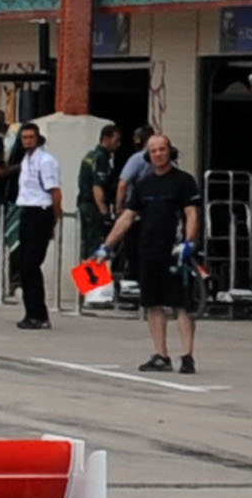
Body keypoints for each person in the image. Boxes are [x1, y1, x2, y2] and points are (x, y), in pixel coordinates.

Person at [101, 132, 201, 374]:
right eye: (153, 151)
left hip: (175, 251)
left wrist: (189, 242)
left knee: (181, 305)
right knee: (153, 304)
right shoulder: (143, 185)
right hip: (148, 251)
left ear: (170, 151)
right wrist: (107, 246)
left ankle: (187, 356)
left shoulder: (184, 181)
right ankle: (161, 355)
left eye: (162, 149)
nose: (158, 154)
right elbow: (127, 218)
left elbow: (191, 214)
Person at [5, 120, 59, 328]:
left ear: (38, 139)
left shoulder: (46, 161)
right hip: (27, 210)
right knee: (24, 264)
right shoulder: (26, 160)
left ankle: (39, 315)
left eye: (31, 138)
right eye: (24, 138)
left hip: (41, 211)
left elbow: (55, 192)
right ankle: (31, 312)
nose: (27, 141)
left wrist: (53, 219)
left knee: (31, 264)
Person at [76, 121, 127, 254]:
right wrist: (105, 213)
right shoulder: (101, 158)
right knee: (96, 246)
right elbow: (97, 187)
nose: (118, 144)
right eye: (116, 140)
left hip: (85, 205)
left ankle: (87, 267)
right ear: (106, 138)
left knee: (87, 245)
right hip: (94, 208)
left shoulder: (90, 155)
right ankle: (93, 268)